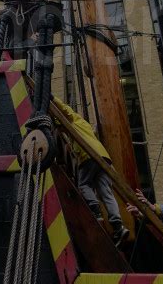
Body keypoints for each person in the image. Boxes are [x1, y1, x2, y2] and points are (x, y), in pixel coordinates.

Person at [53, 96, 130, 246]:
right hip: (103, 158)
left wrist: (51, 98)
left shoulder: (75, 119)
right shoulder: (85, 127)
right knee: (106, 192)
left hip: (88, 155)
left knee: (84, 185)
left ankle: (96, 211)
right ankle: (118, 227)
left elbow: (64, 109)